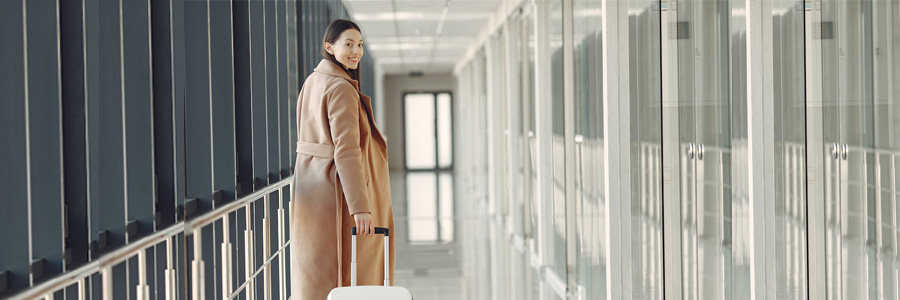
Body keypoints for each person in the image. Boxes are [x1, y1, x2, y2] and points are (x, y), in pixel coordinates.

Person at [290, 19, 394, 300]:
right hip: (337, 193)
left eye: (359, 44)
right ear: (329, 47)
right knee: (348, 273)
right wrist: (360, 207)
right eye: (348, 44)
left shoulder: (312, 81)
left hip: (312, 188)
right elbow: (346, 150)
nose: (356, 51)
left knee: (316, 271)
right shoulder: (341, 88)